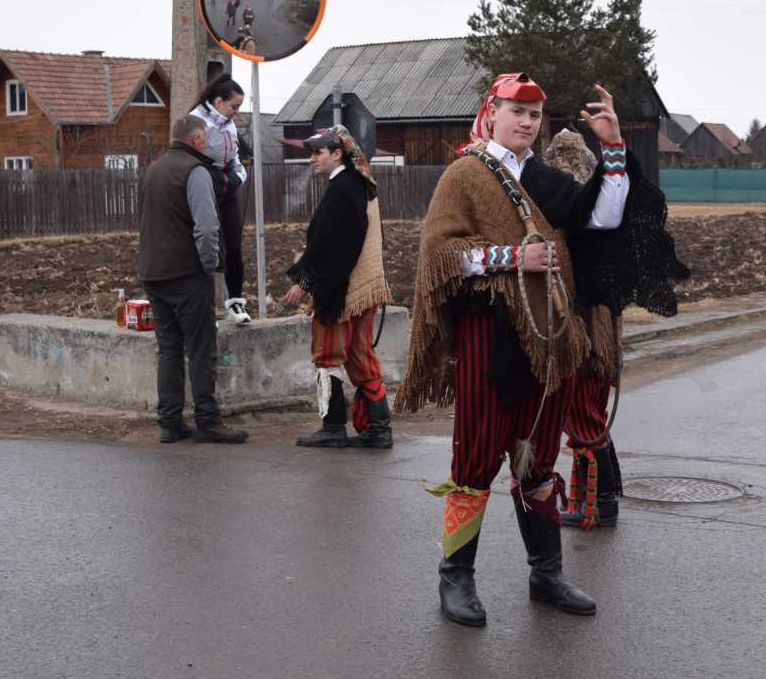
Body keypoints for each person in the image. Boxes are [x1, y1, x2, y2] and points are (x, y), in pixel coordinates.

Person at [398, 74, 630, 628]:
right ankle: (455, 578)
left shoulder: (547, 180)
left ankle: (545, 574)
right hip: (489, 335)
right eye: (516, 111)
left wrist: (614, 145)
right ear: (492, 112)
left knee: (539, 461)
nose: (526, 122)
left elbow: (607, 217)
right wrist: (510, 257)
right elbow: (440, 254)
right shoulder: (465, 175)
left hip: (550, 340)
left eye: (534, 114)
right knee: (475, 460)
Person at [541, 129, 688, 532]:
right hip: (603, 321)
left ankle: (596, 506)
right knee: (592, 409)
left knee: (582, 411)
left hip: (584, 320)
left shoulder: (579, 201)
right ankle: (602, 500)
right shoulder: (596, 190)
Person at [138, 115, 249, 445]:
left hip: (153, 273)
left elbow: (145, 221)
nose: (210, 144)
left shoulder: (153, 169)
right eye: (206, 138)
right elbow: (206, 227)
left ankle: (170, 422)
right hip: (187, 274)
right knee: (202, 349)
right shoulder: (195, 171)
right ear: (196, 139)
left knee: (169, 349)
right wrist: (209, 265)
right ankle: (208, 421)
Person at [286, 125, 394, 449]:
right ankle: (379, 429)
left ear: (337, 154)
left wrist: (305, 284)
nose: (311, 159)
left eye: (318, 152)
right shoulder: (359, 184)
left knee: (328, 355)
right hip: (365, 287)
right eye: (311, 153)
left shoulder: (342, 188)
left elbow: (327, 245)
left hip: (343, 289)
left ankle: (333, 427)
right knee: (361, 354)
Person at [189, 75, 252, 324]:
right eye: (234, 106)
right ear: (218, 101)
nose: (236, 112)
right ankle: (202, 307)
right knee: (208, 247)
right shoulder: (196, 121)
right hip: (205, 184)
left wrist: (239, 176)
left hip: (227, 187)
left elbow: (235, 157)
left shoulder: (229, 123)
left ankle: (235, 303)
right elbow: (190, 158)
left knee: (234, 247)